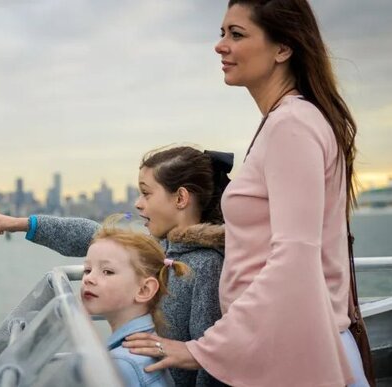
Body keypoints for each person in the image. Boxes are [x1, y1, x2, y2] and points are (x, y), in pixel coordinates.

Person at [122, 1, 368, 386]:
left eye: (236, 34)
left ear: (283, 48)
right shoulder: (289, 121)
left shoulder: (292, 125)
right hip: (283, 346)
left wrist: (200, 349)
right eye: (222, 33)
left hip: (293, 355)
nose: (220, 46)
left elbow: (294, 259)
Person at [0, 145, 233, 387]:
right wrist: (22, 223)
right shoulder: (158, 248)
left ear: (180, 198)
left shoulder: (206, 264)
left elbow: (213, 360)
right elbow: (94, 235)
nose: (138, 203)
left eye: (146, 193)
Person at [81, 217, 190, 386]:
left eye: (107, 271)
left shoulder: (122, 364)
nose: (89, 279)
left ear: (144, 290)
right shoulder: (149, 343)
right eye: (87, 270)